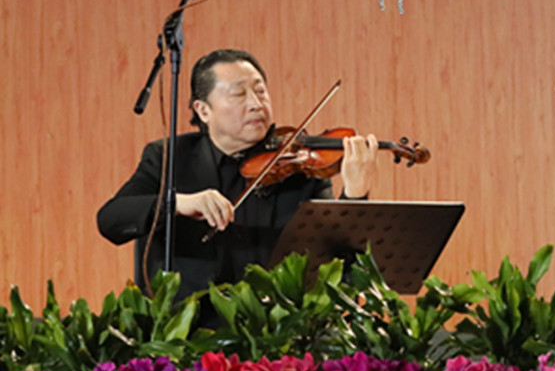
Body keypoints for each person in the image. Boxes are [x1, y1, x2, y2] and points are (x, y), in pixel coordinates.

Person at [98, 48, 379, 297]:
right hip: (190, 327)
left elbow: (340, 270)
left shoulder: (300, 168)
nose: (256, 104)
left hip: (277, 329)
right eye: (239, 94)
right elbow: (111, 219)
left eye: (260, 91)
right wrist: (179, 203)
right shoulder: (169, 157)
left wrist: (354, 196)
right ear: (203, 110)